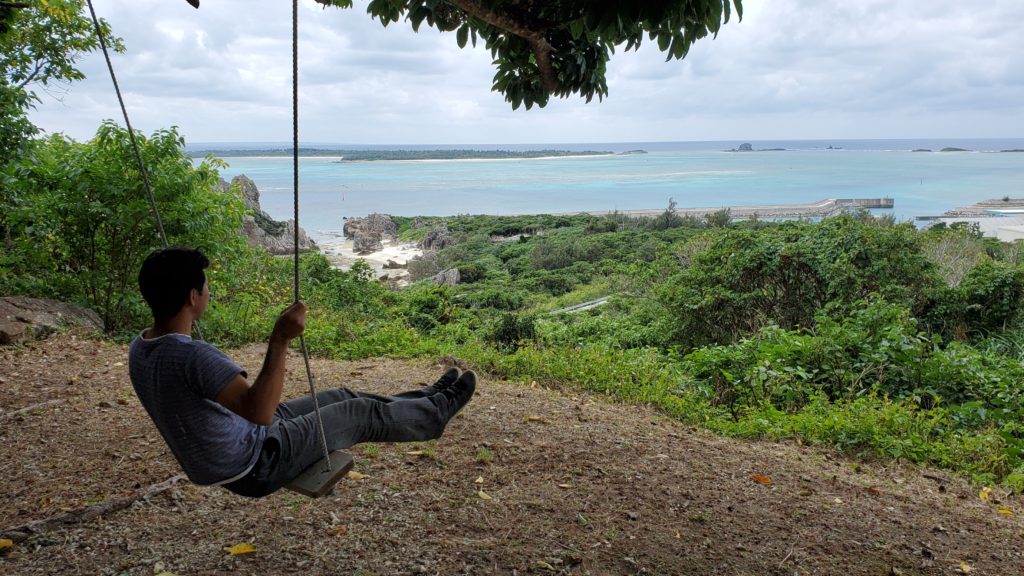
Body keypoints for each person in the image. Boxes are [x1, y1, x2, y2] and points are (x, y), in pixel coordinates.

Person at [128, 247, 475, 497]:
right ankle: (435, 414)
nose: (209, 292)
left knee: (343, 396)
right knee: (360, 412)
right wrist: (280, 339)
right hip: (255, 462)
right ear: (192, 297)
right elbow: (260, 411)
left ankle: (427, 399)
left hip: (234, 440)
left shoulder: (141, 346)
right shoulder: (192, 356)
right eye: (205, 287)